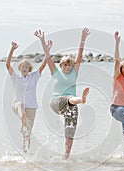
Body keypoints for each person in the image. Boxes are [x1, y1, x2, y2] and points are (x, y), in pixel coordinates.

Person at [34, 28, 90, 159]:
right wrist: (42, 40)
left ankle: (66, 157)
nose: (67, 66)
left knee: (70, 132)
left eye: (69, 64)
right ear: (61, 65)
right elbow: (48, 57)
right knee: (70, 98)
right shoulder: (56, 73)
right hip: (57, 102)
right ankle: (81, 99)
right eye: (65, 64)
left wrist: (83, 39)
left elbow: (80, 55)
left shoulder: (74, 73)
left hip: (71, 105)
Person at [6, 39, 52, 153]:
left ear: (29, 68)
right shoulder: (15, 77)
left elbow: (45, 63)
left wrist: (48, 50)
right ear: (19, 68)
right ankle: (22, 118)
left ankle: (25, 152)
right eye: (22, 66)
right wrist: (12, 49)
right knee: (21, 105)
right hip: (17, 104)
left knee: (28, 132)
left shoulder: (34, 76)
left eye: (26, 67)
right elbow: (7, 64)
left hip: (31, 106)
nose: (24, 68)